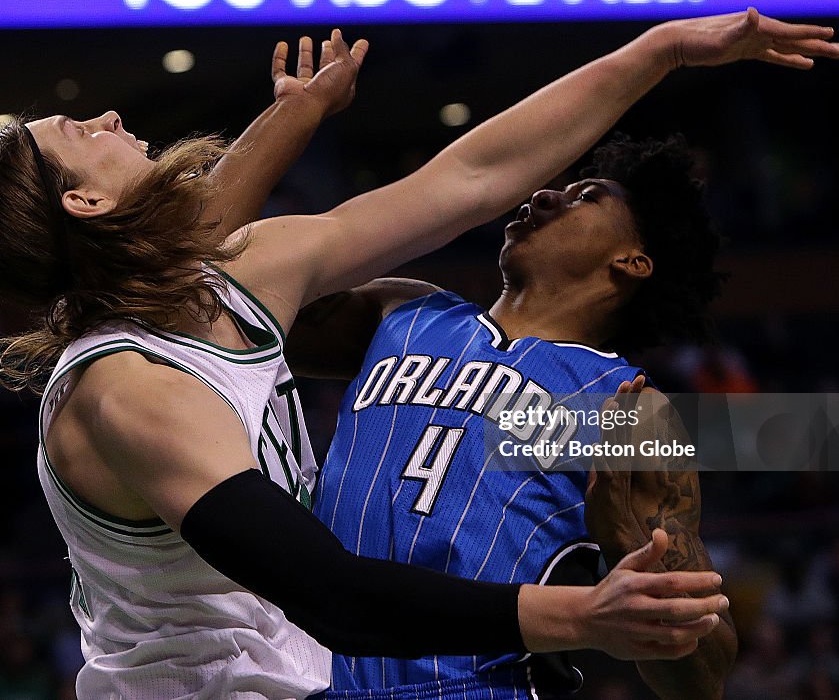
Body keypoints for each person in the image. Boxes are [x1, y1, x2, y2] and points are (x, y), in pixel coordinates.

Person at [0, 11, 839, 698]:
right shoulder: (132, 390)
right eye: (80, 130)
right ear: (87, 204)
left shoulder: (620, 408)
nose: (107, 114)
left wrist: (659, 50)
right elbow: (331, 589)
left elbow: (467, 179)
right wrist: (581, 615)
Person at [289, 135, 743, 699]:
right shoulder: (401, 309)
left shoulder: (633, 409)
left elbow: (705, 677)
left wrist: (625, 540)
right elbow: (232, 310)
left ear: (632, 261)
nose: (546, 196)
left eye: (587, 197)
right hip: (308, 682)